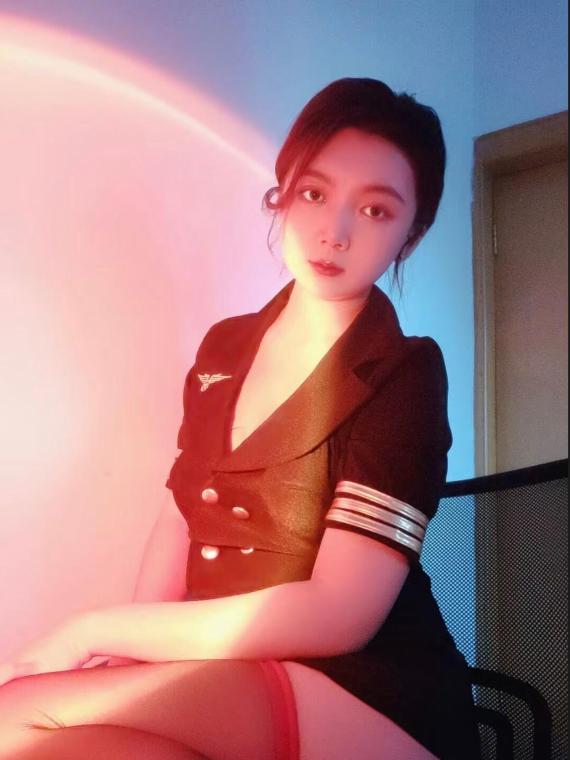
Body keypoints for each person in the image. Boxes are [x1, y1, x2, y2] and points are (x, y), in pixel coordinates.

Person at [0, 78, 481, 760]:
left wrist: (94, 630)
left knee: (22, 717)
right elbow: (179, 515)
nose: (335, 232)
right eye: (314, 194)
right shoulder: (225, 347)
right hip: (234, 671)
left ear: (412, 233)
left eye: (375, 210)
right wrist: (135, 651)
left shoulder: (405, 370)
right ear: (282, 191)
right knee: (61, 734)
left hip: (369, 687)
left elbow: (339, 615)